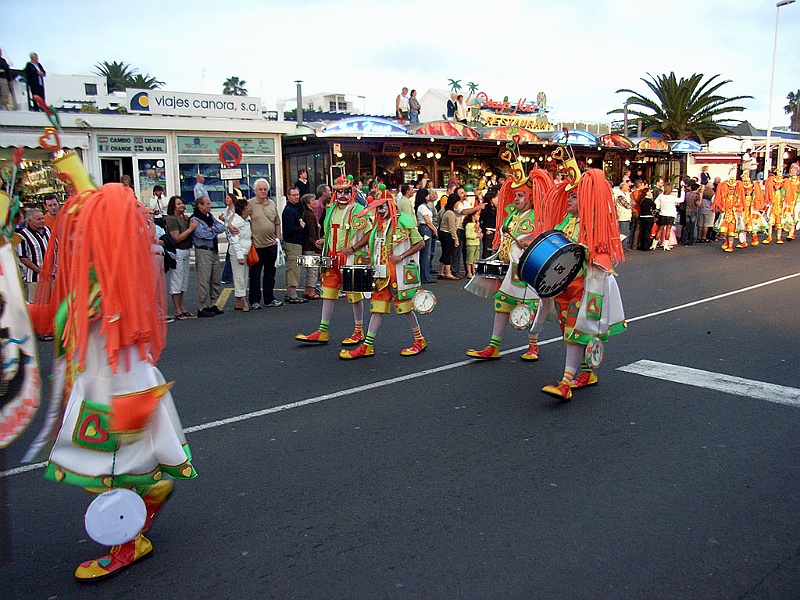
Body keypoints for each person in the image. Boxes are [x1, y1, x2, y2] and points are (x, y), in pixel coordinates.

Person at [28, 155, 196, 580]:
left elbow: (55, 319)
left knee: (104, 470)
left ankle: (128, 542)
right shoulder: (114, 270)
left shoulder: (102, 283)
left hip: (113, 390)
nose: (70, 234)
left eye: (81, 229)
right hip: (125, 382)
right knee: (123, 465)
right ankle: (150, 497)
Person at [539, 169, 626, 401]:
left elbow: (601, 256)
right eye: (569, 195)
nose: (569, 199)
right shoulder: (566, 221)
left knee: (576, 332)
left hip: (585, 285)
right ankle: (587, 373)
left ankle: (565, 383)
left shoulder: (596, 223)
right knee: (568, 331)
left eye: (575, 196)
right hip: (563, 285)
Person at [466, 168, 552, 361]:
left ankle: (533, 346)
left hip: (527, 270)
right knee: (501, 305)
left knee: (530, 307)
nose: (517, 199)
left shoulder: (538, 217)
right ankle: (493, 345)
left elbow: (542, 239)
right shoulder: (512, 216)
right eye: (515, 195)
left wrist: (530, 244)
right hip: (508, 270)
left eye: (521, 195)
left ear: (531, 197)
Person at [339, 186, 427, 359]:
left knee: (406, 308)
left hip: (399, 274)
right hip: (382, 275)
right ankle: (367, 345)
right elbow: (375, 248)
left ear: (390, 205)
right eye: (378, 207)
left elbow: (420, 243)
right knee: (377, 309)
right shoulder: (379, 226)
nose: (380, 210)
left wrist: (401, 256)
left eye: (382, 206)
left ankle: (419, 339)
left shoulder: (404, 221)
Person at [296, 174, 370, 345]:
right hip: (330, 256)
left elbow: (368, 233)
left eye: (346, 192)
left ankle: (359, 330)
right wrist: (324, 240)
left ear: (351, 192)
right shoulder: (331, 209)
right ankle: (323, 330)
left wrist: (353, 248)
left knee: (355, 294)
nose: (343, 195)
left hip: (351, 258)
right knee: (327, 293)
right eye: (339, 192)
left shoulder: (358, 210)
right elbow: (331, 231)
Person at [248, 178, 282, 308]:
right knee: (255, 275)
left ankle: (269, 298)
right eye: (260, 189)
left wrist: (278, 238)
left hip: (271, 245)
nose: (263, 192)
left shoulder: (272, 204)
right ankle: (255, 301)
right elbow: (241, 219)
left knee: (270, 274)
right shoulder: (250, 204)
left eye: (265, 189)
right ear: (255, 191)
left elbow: (277, 222)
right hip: (257, 246)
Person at [191, 196, 226, 317]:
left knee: (215, 279)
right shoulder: (195, 219)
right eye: (207, 204)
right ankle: (202, 306)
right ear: (200, 205)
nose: (209, 206)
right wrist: (213, 231)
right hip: (203, 251)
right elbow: (202, 234)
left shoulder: (210, 217)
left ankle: (213, 304)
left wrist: (212, 229)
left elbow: (222, 227)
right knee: (204, 280)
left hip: (214, 250)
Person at [165, 195, 197, 319]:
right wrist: (190, 229)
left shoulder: (183, 218)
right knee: (177, 280)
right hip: (177, 251)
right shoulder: (172, 219)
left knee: (184, 280)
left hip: (186, 250)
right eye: (178, 204)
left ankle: (181, 305)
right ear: (173, 206)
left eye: (182, 203)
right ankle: (177, 309)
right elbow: (177, 237)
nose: (182, 206)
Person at [16, 208, 51, 305]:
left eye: (42, 218)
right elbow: (23, 258)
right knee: (37, 305)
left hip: (52, 276)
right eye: (38, 219)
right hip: (36, 278)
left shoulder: (48, 230)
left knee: (53, 304)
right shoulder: (22, 236)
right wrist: (40, 270)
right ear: (30, 221)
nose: (42, 221)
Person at [282, 187, 307, 304]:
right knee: (293, 268)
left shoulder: (295, 208)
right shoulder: (289, 210)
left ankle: (290, 293)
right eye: (293, 195)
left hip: (297, 242)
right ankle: (292, 294)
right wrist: (300, 227)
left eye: (297, 195)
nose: (296, 197)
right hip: (292, 243)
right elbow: (288, 230)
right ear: (288, 196)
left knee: (294, 268)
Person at [228, 198, 252, 311]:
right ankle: (243, 300)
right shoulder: (236, 221)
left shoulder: (248, 219)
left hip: (247, 250)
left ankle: (238, 300)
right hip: (239, 252)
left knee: (244, 276)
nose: (250, 208)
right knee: (239, 277)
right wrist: (239, 255)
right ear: (243, 209)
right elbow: (234, 239)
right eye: (248, 206)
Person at [299, 193, 323, 300]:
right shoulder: (309, 215)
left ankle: (307, 289)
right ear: (308, 203)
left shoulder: (308, 214)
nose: (315, 202)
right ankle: (311, 291)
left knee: (310, 269)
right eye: (313, 201)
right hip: (310, 247)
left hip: (308, 246)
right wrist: (316, 244)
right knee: (313, 269)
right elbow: (311, 233)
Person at [415, 188, 438, 284]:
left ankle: (426, 275)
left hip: (426, 228)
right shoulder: (422, 207)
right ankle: (425, 276)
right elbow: (428, 221)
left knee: (427, 253)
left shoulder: (424, 206)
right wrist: (435, 230)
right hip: (425, 229)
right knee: (426, 253)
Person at [437, 193, 459, 280]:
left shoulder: (444, 210)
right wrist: (456, 240)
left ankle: (441, 271)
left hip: (442, 232)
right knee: (447, 254)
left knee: (444, 253)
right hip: (447, 234)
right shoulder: (450, 213)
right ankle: (448, 273)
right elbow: (452, 228)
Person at [654, 182, 680, 250]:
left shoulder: (661, 196)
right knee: (668, 229)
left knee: (660, 229)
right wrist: (682, 192)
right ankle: (666, 244)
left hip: (662, 214)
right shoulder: (672, 197)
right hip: (670, 214)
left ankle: (654, 244)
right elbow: (681, 200)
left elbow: (656, 203)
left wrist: (660, 207)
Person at [680, 182, 701, 246]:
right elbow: (698, 204)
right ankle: (690, 241)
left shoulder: (688, 194)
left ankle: (684, 240)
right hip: (693, 211)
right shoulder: (697, 195)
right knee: (692, 227)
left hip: (687, 210)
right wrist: (701, 195)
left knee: (686, 226)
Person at [479, 188, 498, 258]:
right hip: (489, 232)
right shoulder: (486, 209)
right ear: (491, 200)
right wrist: (485, 230)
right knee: (487, 251)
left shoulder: (498, 208)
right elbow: (481, 221)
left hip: (497, 231)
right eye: (495, 198)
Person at [614, 181, 632, 249]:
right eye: (627, 186)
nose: (628, 187)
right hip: (622, 215)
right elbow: (627, 205)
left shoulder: (627, 194)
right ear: (623, 187)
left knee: (626, 231)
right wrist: (632, 204)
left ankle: (624, 245)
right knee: (622, 231)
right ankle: (620, 245)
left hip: (627, 215)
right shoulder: (619, 195)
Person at [464, 211, 481, 278]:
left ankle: (473, 271)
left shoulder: (477, 224)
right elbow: (468, 235)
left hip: (476, 243)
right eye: (477, 215)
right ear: (473, 216)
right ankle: (469, 272)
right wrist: (476, 235)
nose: (478, 216)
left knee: (475, 259)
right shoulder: (469, 225)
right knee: (469, 259)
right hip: (471, 244)